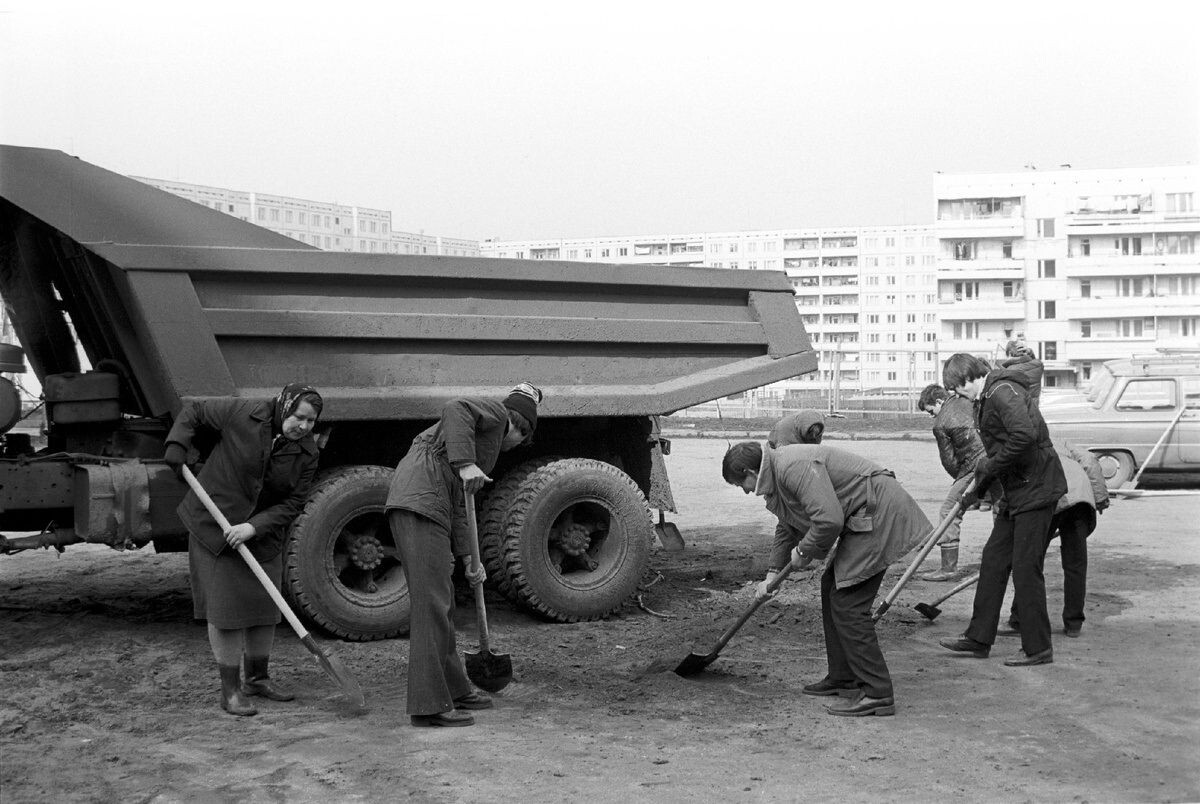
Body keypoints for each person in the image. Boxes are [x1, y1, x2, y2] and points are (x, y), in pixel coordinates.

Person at [723, 440, 932, 717]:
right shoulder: (777, 473)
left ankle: (877, 692)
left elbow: (829, 520)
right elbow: (787, 525)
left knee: (848, 603)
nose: (746, 491)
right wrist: (772, 573)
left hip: (879, 511)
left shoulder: (792, 466)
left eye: (741, 484)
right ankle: (844, 677)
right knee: (831, 585)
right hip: (863, 515)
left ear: (750, 472)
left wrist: (804, 550)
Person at [386, 382, 542, 727]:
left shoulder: (476, 444)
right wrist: (467, 462)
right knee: (431, 605)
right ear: (521, 429)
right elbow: (456, 407)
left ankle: (455, 689)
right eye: (522, 439)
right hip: (421, 502)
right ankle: (428, 706)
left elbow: (462, 504)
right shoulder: (497, 415)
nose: (514, 446)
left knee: (442, 602)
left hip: (432, 504)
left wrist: (471, 558)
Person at [164, 383, 322, 716]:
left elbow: (294, 502)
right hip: (215, 525)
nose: (303, 426)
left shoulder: (307, 452)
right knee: (227, 612)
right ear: (284, 407)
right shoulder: (244, 413)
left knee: (264, 607)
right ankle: (230, 691)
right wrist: (177, 444)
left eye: (311, 421)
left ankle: (257, 680)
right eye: (299, 417)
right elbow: (195, 411)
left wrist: (253, 527)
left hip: (261, 534)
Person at [938, 354, 1067, 667]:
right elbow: (998, 451)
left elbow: (1024, 436)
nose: (957, 395)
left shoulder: (1002, 391)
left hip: (1036, 487)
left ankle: (1038, 648)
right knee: (994, 560)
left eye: (957, 388)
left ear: (968, 378)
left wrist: (990, 466)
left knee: (1025, 568)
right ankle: (978, 637)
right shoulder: (986, 397)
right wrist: (978, 490)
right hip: (1017, 489)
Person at [999, 443, 1109, 639]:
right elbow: (1090, 460)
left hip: (1050, 494)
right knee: (1075, 563)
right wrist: (1100, 497)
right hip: (1080, 497)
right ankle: (1074, 623)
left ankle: (1019, 619)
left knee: (1030, 561)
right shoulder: (1062, 443)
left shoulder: (1020, 444)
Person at [917, 384, 986, 581]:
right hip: (995, 457)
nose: (932, 416)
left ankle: (948, 568)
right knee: (1001, 507)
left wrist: (960, 483)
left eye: (931, 411)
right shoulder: (965, 400)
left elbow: (950, 462)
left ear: (939, 402)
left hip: (974, 464)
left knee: (949, 510)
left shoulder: (940, 424)